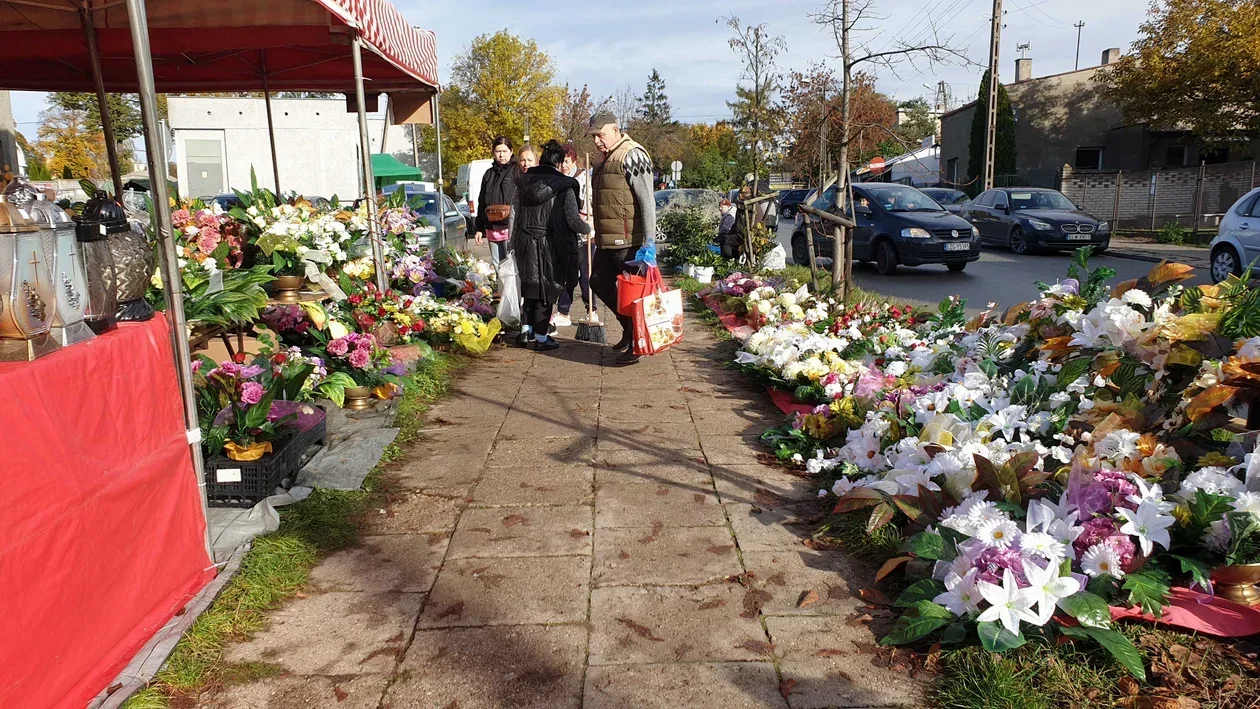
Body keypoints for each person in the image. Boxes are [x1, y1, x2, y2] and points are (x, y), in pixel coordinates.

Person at [586, 111, 656, 365]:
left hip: (631, 241)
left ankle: (637, 343)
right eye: (594, 136)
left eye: (600, 135)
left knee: (633, 296)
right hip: (608, 239)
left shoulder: (633, 154)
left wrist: (650, 243)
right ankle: (628, 330)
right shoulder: (603, 159)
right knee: (599, 281)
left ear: (615, 129)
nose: (597, 141)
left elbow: (647, 201)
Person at [509, 140, 590, 351]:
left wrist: (512, 242)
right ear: (559, 162)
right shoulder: (565, 186)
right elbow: (572, 220)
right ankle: (542, 338)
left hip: (525, 240)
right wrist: (588, 229)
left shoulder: (522, 183)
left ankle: (525, 332)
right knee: (547, 290)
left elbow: (515, 215)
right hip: (552, 244)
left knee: (530, 287)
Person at [554, 144, 597, 329]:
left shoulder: (584, 180)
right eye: (560, 162)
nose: (563, 166)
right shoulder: (558, 180)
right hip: (565, 234)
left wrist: (589, 219)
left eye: (566, 161)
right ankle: (563, 311)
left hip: (586, 234)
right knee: (566, 274)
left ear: (573, 161)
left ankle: (591, 309)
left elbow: (590, 205)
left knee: (586, 274)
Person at [473, 136, 520, 265]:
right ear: (493, 152)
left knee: (510, 265)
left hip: (509, 227)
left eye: (504, 151)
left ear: (511, 152)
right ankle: (500, 286)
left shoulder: (517, 171)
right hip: (492, 227)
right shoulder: (488, 174)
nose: (501, 155)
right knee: (497, 265)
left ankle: (511, 286)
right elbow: (482, 201)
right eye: (498, 151)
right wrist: (479, 228)